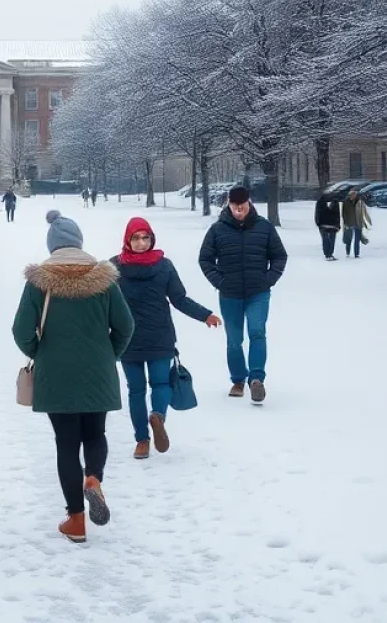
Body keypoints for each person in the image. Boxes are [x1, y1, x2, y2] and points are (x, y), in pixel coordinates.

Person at [12, 210, 134, 545]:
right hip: (99, 371)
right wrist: (111, 354)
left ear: (52, 246)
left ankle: (76, 520)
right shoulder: (104, 280)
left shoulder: (39, 281)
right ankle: (93, 478)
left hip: (56, 374)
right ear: (80, 242)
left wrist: (40, 352)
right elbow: (126, 326)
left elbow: (21, 330)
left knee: (66, 444)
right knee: (95, 433)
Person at [112, 217, 221, 460]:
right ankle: (158, 416)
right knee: (158, 385)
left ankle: (142, 440)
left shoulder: (117, 267)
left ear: (151, 239)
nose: (141, 243)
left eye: (145, 237)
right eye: (136, 238)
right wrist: (205, 315)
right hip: (145, 337)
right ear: (128, 240)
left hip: (136, 337)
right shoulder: (158, 265)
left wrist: (205, 315)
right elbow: (179, 299)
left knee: (136, 391)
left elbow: (179, 299)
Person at [198, 186, 287, 404]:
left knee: (257, 332)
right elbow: (205, 259)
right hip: (230, 293)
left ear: (249, 203)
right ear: (228, 205)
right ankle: (238, 380)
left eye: (243, 206)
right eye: (235, 207)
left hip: (258, 292)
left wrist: (268, 279)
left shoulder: (264, 227)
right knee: (234, 340)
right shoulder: (217, 230)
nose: (239, 211)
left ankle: (256, 379)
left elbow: (279, 256)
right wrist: (219, 281)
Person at [341, 188, 372, 259]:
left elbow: (364, 212)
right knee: (349, 239)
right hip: (349, 223)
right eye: (350, 195)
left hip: (358, 222)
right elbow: (344, 214)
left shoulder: (360, 202)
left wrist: (368, 220)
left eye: (353, 194)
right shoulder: (346, 202)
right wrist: (346, 223)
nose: (352, 196)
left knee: (357, 239)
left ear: (356, 194)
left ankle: (356, 254)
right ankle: (348, 252)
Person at [314, 190, 342, 261]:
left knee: (330, 240)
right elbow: (317, 213)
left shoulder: (334, 202)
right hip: (324, 225)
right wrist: (318, 223)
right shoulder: (321, 202)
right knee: (326, 240)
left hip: (332, 225)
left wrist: (338, 225)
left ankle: (329, 254)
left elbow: (337, 215)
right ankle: (328, 254)